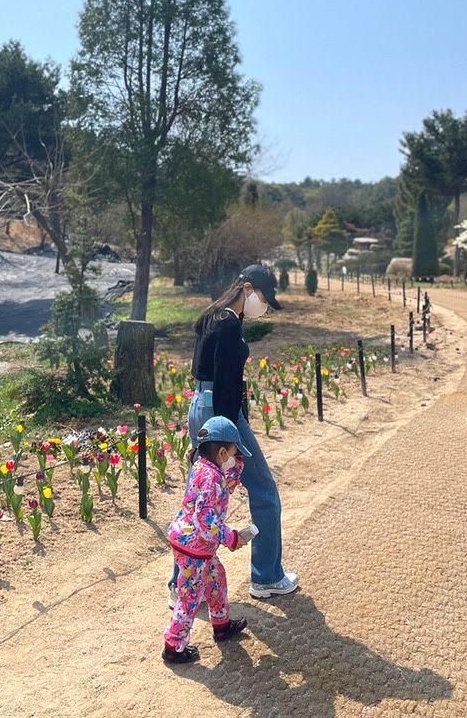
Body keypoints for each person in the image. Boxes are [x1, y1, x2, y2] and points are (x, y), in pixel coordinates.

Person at [168, 264, 299, 604]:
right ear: (247, 289)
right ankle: (267, 577)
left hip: (200, 404)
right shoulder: (229, 326)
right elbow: (226, 386)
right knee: (264, 491)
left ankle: (181, 588)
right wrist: (228, 444)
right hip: (221, 412)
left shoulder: (215, 314)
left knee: (197, 496)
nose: (264, 305)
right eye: (263, 297)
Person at [162, 415, 252, 664]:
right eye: (234, 452)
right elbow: (205, 521)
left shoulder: (202, 466)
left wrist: (237, 465)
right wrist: (231, 537)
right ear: (223, 452)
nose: (235, 457)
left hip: (193, 544)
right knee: (190, 596)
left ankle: (221, 624)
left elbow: (228, 482)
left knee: (216, 578)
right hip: (194, 547)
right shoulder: (211, 478)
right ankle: (173, 645)